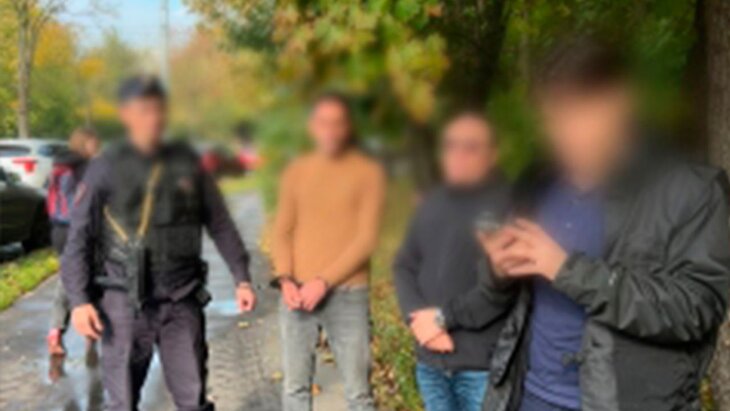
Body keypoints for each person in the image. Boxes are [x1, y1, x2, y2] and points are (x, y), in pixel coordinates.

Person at [410, 37, 730, 411]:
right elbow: (500, 298)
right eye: (552, 116)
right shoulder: (538, 181)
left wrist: (566, 270)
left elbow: (696, 309)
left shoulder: (692, 190)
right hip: (527, 398)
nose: (562, 131)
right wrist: (499, 271)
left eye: (577, 113)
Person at [61, 75, 257, 411]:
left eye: (157, 109)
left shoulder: (188, 163)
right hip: (124, 305)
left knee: (192, 400)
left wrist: (241, 277)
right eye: (143, 110)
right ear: (126, 114)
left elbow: (220, 222)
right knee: (122, 403)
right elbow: (78, 237)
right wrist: (79, 301)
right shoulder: (104, 168)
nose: (152, 118)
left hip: (181, 301)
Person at [271, 92, 386, 411]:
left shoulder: (368, 172)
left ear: (348, 127)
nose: (330, 131)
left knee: (359, 393)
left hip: (348, 294)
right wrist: (285, 279)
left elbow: (367, 238)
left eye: (337, 123)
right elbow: (281, 231)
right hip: (296, 295)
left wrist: (323, 281)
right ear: (312, 126)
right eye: (323, 122)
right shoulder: (296, 171)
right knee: (295, 388)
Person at [394, 112, 511, 411]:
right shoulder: (433, 202)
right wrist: (416, 320)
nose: (458, 155)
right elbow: (404, 264)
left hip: (481, 367)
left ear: (493, 154)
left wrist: (440, 320)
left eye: (471, 147)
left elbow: (502, 290)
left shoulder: (509, 207)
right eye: (451, 146)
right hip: (430, 362)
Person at [46, 127, 100, 357]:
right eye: (95, 143)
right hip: (79, 229)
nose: (97, 147)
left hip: (58, 229)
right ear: (86, 143)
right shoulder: (84, 168)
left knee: (67, 278)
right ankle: (90, 329)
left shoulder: (57, 166)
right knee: (88, 275)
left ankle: (56, 331)